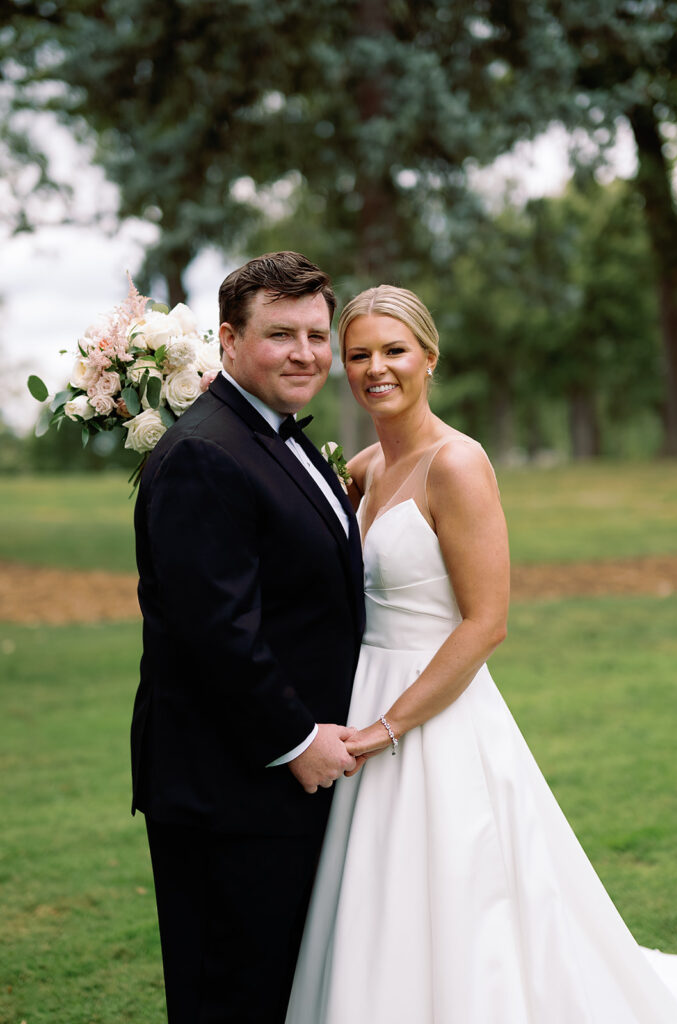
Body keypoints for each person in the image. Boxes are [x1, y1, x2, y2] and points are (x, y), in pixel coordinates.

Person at [286, 285, 677, 1023]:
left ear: (429, 358)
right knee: (379, 893)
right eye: (359, 354)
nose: (377, 367)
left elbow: (485, 622)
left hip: (431, 715)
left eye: (394, 351)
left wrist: (386, 728)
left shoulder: (457, 464)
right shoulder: (366, 467)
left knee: (460, 893)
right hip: (361, 692)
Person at [130, 252, 365, 1024]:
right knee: (231, 997)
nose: (303, 353)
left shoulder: (270, 434)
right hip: (229, 788)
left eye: (315, 334)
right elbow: (217, 632)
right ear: (227, 341)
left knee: (278, 989)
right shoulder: (206, 452)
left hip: (268, 787)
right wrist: (296, 741)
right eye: (279, 335)